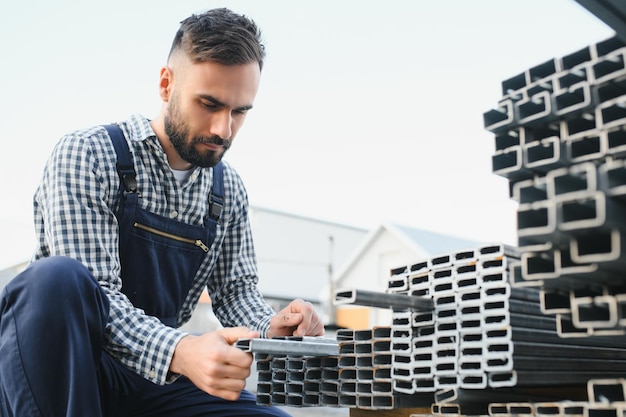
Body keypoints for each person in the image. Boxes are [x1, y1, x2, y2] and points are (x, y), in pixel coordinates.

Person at [0, 7, 324, 417]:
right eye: (209, 104)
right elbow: (98, 295)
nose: (224, 130)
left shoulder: (227, 191)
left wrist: (273, 327)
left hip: (152, 379)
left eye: (240, 111)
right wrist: (183, 350)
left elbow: (236, 293)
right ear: (166, 84)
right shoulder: (89, 155)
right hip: (69, 370)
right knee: (55, 278)